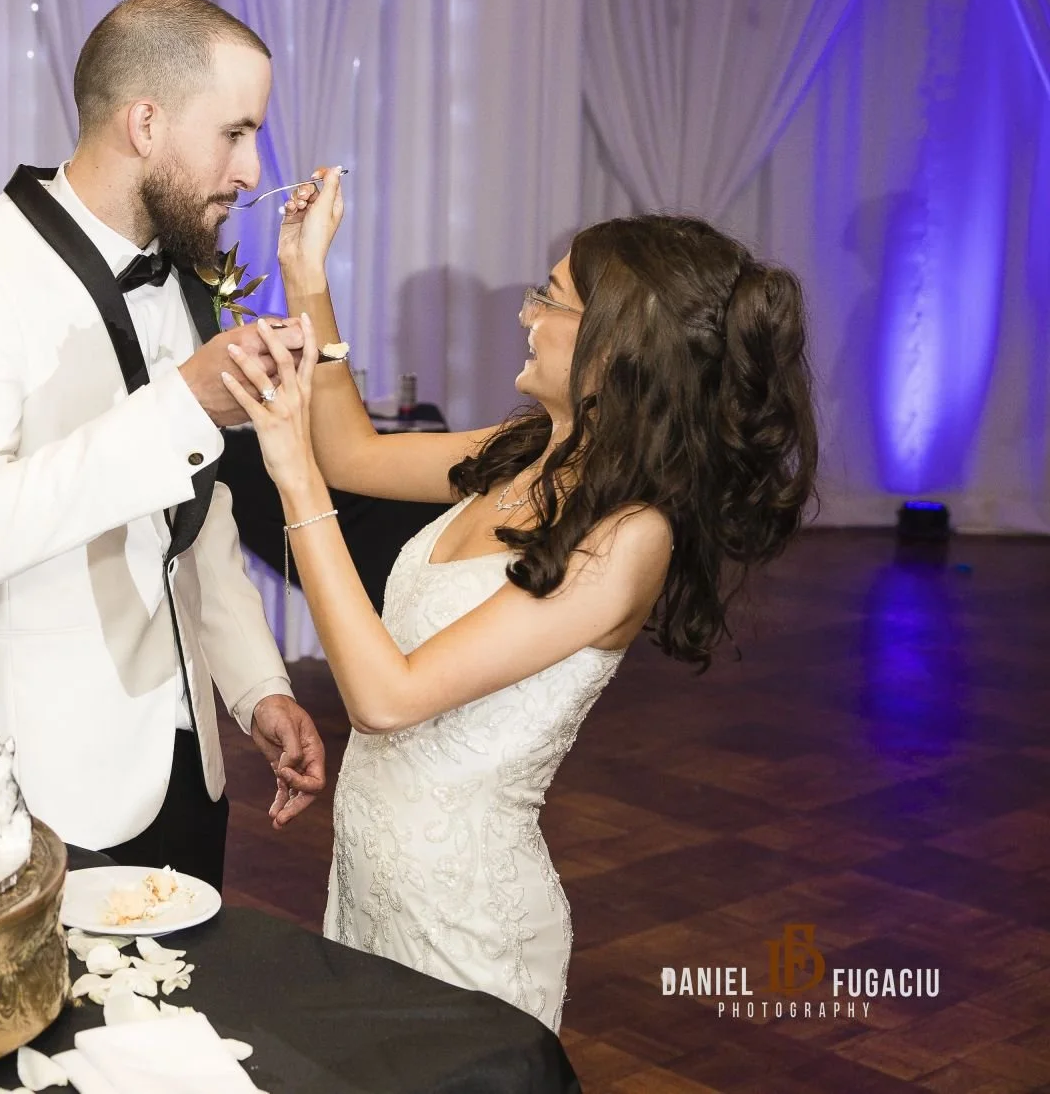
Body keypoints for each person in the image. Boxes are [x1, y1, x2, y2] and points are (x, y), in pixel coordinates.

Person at [224, 168, 816, 1029]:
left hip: (465, 920)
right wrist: (306, 274)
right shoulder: (524, 447)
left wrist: (291, 479)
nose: (525, 312)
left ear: (618, 345)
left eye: (551, 297)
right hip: (371, 877)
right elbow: (352, 453)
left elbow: (386, 697)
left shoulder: (625, 536)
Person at [0, 0, 328, 888]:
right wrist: (183, 405)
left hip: (189, 771)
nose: (253, 171)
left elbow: (194, 518)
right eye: (236, 133)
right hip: (46, 782)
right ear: (145, 123)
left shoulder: (189, 267)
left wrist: (258, 688)